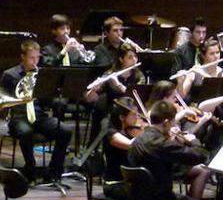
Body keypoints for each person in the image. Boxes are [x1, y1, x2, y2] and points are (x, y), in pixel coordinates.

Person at [104, 97, 172, 200]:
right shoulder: (112, 134)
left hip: (136, 183)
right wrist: (153, 132)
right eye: (134, 116)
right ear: (122, 117)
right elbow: (132, 145)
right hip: (116, 184)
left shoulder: (135, 131)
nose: (138, 120)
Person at [1, 40, 72, 182]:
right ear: (23, 56)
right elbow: (2, 96)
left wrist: (52, 94)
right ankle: (30, 169)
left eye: (37, 58)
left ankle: (53, 172)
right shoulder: (10, 75)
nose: (35, 61)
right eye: (31, 58)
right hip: (18, 116)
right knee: (26, 132)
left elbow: (47, 101)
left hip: (39, 116)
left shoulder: (42, 74)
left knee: (65, 131)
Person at [85, 42, 146, 144]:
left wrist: (118, 85)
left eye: (135, 57)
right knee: (105, 125)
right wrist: (94, 89)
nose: (134, 60)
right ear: (121, 59)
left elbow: (134, 98)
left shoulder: (139, 76)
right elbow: (89, 99)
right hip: (112, 114)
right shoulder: (110, 74)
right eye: (130, 57)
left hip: (133, 115)